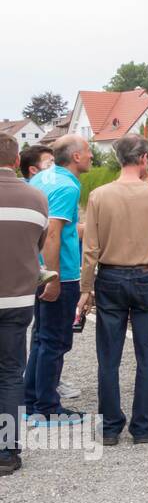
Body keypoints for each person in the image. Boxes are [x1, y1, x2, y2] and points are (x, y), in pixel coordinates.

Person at [77, 135, 148, 445]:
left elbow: (90, 248)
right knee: (146, 357)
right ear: (143, 159)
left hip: (110, 278)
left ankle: (109, 428)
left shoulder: (99, 196)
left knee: (108, 357)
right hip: (146, 277)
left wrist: (85, 288)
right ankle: (142, 428)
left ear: (119, 159)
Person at [24, 134, 93, 424]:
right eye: (88, 151)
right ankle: (48, 407)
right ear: (76, 157)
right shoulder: (66, 186)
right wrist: (53, 278)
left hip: (35, 268)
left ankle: (30, 400)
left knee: (41, 337)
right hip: (59, 274)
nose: (91, 156)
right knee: (56, 341)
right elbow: (53, 233)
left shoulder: (42, 178)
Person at [0, 134, 49, 475]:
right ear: (17, 161)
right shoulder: (36, 197)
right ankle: (6, 453)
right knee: (10, 375)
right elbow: (39, 243)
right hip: (17, 299)